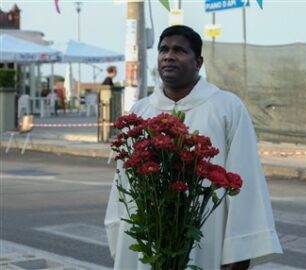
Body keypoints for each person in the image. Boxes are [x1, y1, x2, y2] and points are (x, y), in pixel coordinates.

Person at [104, 25, 282, 270]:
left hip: (205, 233)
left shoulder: (226, 107)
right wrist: (120, 230)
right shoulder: (140, 112)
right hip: (148, 233)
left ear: (198, 61)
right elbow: (122, 184)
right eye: (164, 50)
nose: (168, 56)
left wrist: (241, 252)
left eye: (179, 50)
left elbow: (245, 178)